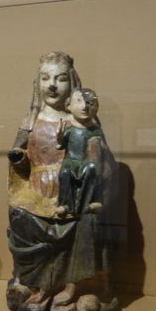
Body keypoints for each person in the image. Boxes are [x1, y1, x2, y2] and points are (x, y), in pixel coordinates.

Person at [7, 52, 118, 311]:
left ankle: (78, 287)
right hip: (36, 192)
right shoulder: (30, 121)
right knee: (22, 218)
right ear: (37, 83)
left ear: (72, 84)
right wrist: (19, 159)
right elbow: (20, 161)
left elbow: (103, 164)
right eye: (46, 78)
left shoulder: (84, 122)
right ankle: (38, 287)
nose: (52, 85)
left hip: (74, 191)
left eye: (60, 79)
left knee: (83, 222)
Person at [55, 88, 103, 217]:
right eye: (79, 101)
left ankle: (89, 202)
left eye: (90, 103)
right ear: (69, 106)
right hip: (71, 160)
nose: (84, 107)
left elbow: (102, 149)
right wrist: (59, 139)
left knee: (92, 169)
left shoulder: (96, 130)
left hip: (87, 161)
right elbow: (61, 146)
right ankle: (66, 205)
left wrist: (99, 146)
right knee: (65, 172)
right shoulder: (70, 129)